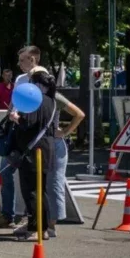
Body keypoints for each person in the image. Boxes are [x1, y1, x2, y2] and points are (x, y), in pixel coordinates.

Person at [28, 67, 85, 237]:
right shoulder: (31, 96)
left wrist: (65, 132)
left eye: (32, 77)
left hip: (54, 143)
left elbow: (79, 114)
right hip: (40, 143)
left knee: (53, 184)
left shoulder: (54, 97)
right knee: (39, 185)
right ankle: (40, 223)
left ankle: (51, 225)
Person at [0, 46, 41, 229]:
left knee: (31, 179)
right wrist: (11, 113)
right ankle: (7, 215)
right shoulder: (20, 79)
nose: (18, 64)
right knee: (4, 172)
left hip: (32, 136)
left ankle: (31, 216)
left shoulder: (42, 79)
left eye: (22, 60)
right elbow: (13, 104)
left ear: (32, 60)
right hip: (15, 133)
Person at [10, 70, 57, 241]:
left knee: (31, 191)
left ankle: (35, 228)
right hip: (45, 149)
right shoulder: (51, 100)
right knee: (40, 190)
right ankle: (42, 227)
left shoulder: (35, 100)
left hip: (32, 151)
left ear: (37, 84)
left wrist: (15, 118)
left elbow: (27, 123)